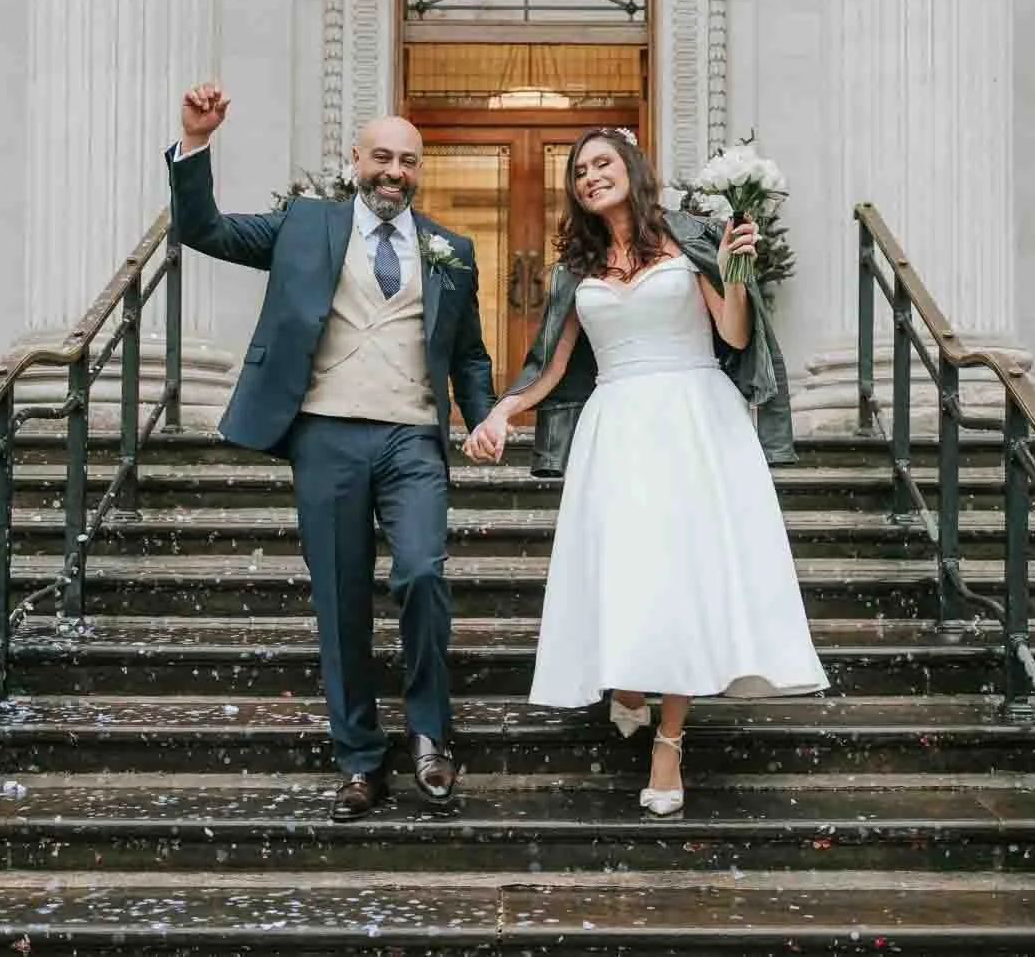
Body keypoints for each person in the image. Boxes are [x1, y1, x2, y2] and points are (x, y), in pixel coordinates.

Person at [464, 126, 827, 816]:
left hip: (695, 422)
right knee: (630, 571)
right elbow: (550, 364)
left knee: (682, 575)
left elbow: (736, 335)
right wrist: (498, 415)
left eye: (602, 163)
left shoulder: (691, 239)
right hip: (617, 429)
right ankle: (628, 684)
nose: (591, 176)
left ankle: (669, 738)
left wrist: (737, 271)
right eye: (579, 171)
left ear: (632, 166)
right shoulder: (577, 266)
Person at [167, 83, 495, 822]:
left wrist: (481, 417)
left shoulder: (452, 250)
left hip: (412, 434)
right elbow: (205, 228)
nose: (394, 171)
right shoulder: (304, 225)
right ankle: (359, 760)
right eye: (382, 156)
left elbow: (469, 355)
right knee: (340, 599)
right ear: (355, 160)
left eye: (408, 161)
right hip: (326, 434)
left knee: (421, 572)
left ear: (420, 170)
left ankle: (430, 735)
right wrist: (195, 143)